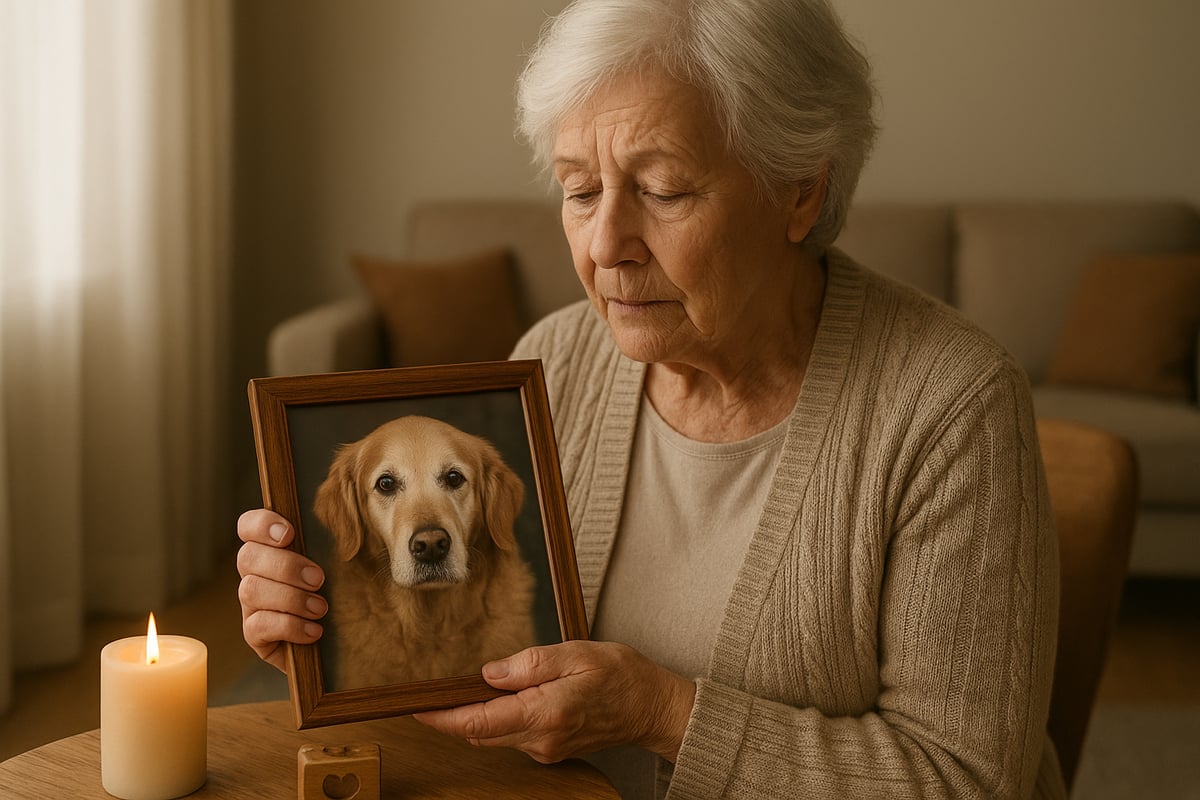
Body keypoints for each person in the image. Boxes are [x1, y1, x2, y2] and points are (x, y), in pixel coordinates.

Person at [237, 0, 1067, 797]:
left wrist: (662, 713)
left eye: (664, 190)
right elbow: (483, 667)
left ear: (800, 190)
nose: (605, 246)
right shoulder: (555, 361)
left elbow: (965, 780)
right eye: (578, 189)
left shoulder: (953, 405)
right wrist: (329, 639)